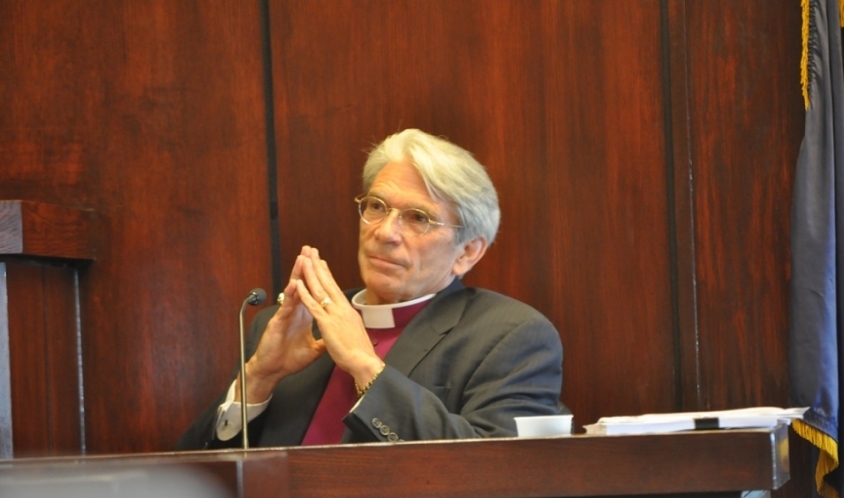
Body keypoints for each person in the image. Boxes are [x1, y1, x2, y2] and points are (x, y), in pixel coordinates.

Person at [176, 129, 564, 449]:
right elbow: (195, 484)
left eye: (417, 218)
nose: (385, 232)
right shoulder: (295, 325)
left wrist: (365, 365)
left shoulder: (510, 336)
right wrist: (257, 379)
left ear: (467, 252)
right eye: (377, 206)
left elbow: (495, 473)